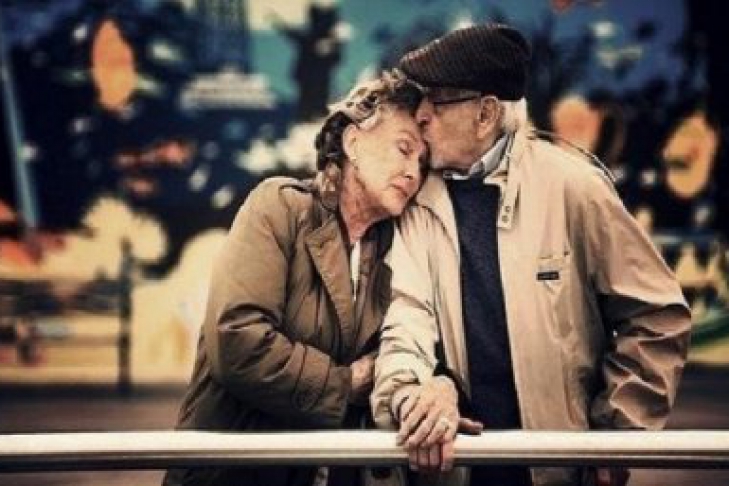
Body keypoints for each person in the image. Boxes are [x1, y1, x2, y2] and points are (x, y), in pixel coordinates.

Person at [371, 23, 692, 486]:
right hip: (453, 472)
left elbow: (657, 315)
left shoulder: (573, 187)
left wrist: (617, 433)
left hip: (560, 472)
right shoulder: (417, 200)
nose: (420, 115)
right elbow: (408, 316)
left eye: (436, 101)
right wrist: (410, 395)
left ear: (485, 114)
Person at [163, 73, 425, 486]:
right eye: (404, 149)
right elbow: (238, 340)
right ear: (353, 143)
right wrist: (346, 383)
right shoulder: (280, 208)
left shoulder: (397, 248)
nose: (413, 173)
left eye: (422, 162)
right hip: (231, 475)